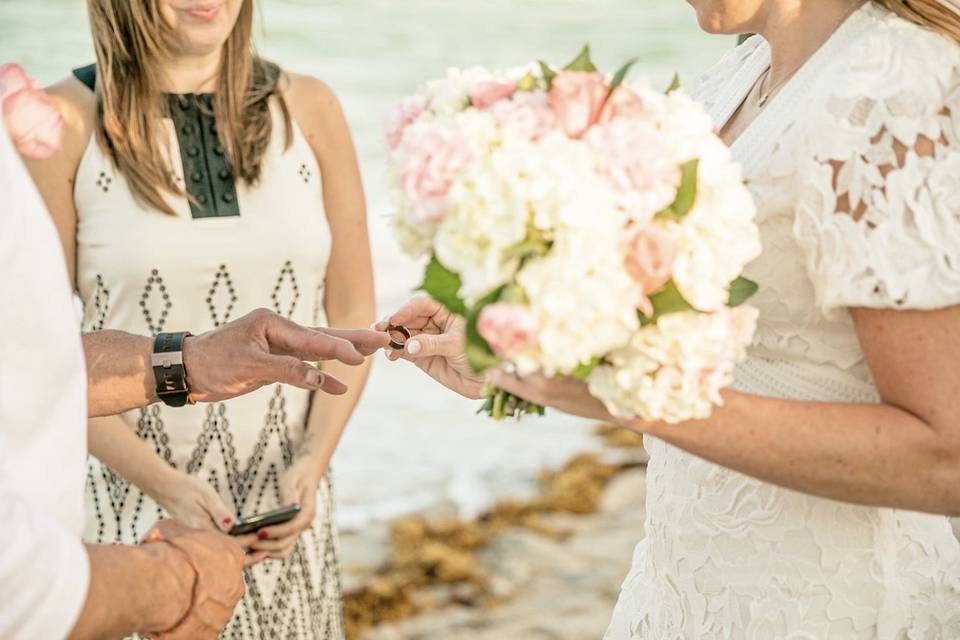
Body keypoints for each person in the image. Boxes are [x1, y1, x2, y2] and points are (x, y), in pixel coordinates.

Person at [380, 0, 960, 636]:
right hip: (683, 582)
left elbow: (943, 459)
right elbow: (735, 367)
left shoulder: (892, 87)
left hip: (834, 600)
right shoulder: (739, 78)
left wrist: (629, 397)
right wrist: (522, 340)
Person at [26, 1, 375, 636]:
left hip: (289, 509)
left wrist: (312, 464)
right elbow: (37, 360)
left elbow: (351, 311)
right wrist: (167, 487)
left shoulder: (313, 107)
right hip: (138, 521)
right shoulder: (55, 125)